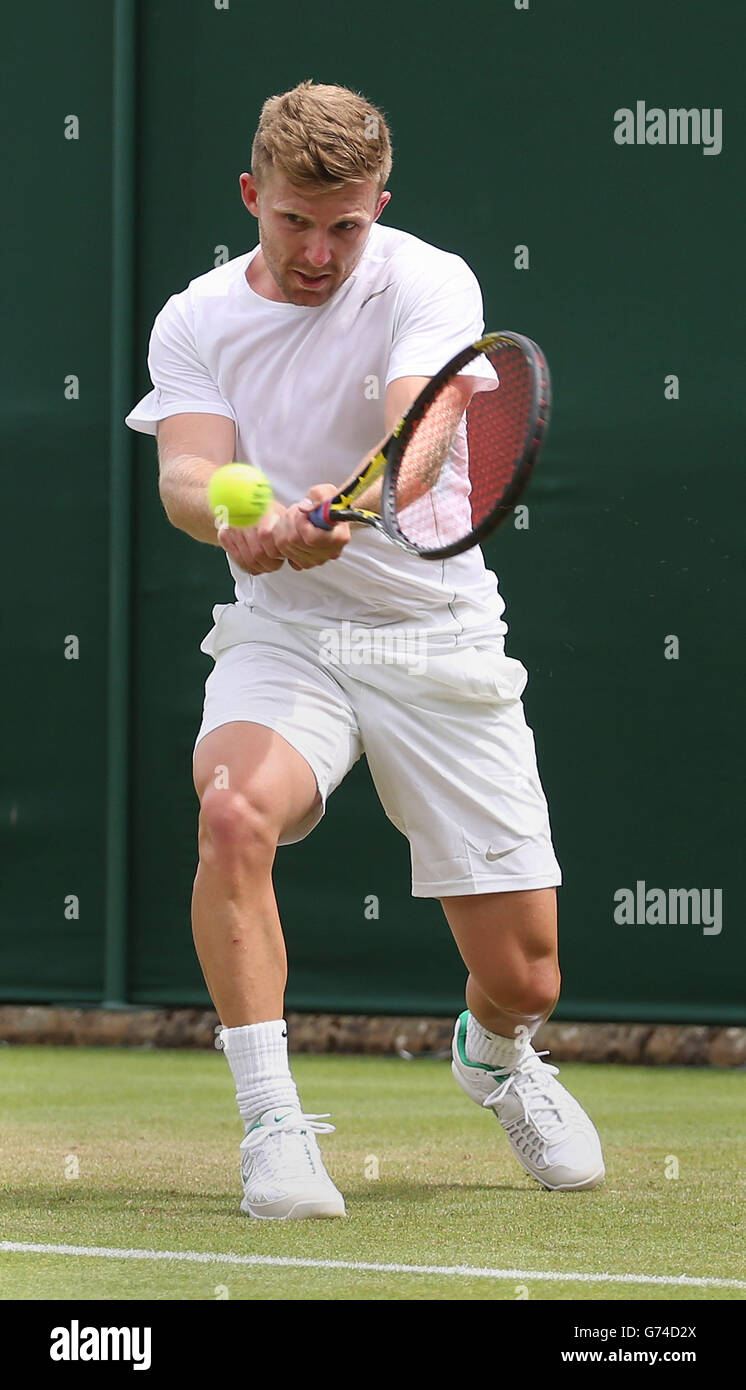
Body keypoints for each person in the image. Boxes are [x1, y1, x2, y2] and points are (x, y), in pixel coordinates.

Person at [126, 79, 604, 1220]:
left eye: (346, 225)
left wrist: (354, 495)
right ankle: (273, 1127)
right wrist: (246, 511)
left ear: (378, 206)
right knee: (235, 809)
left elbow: (427, 426)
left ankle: (493, 1056)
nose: (319, 251)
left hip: (435, 641)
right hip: (283, 639)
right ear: (254, 195)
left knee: (526, 971)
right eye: (295, 219)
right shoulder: (196, 318)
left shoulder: (426, 280)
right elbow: (186, 474)